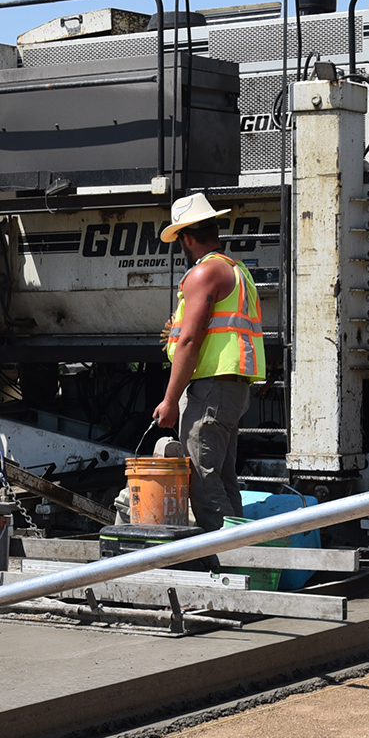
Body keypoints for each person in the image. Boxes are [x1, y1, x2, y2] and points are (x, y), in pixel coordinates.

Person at [150, 194, 267, 537]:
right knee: (223, 479)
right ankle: (244, 554)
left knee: (201, 480)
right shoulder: (237, 270)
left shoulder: (204, 273)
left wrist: (170, 400)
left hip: (211, 387)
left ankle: (226, 558)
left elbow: (190, 341)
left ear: (186, 237)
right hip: (232, 387)